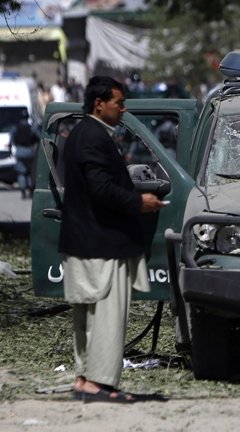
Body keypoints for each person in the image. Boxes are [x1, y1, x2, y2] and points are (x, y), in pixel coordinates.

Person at [58, 76, 165, 403]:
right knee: (106, 316)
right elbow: (100, 189)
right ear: (98, 104)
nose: (123, 108)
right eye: (119, 103)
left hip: (91, 244)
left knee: (90, 319)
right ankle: (100, 383)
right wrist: (139, 203)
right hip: (100, 246)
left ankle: (86, 380)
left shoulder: (86, 134)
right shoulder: (91, 137)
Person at [10, 110, 40, 199]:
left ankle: (23, 192)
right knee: (31, 172)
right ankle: (31, 191)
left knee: (21, 173)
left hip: (19, 151)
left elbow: (11, 139)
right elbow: (39, 137)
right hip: (30, 151)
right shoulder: (31, 127)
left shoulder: (15, 128)